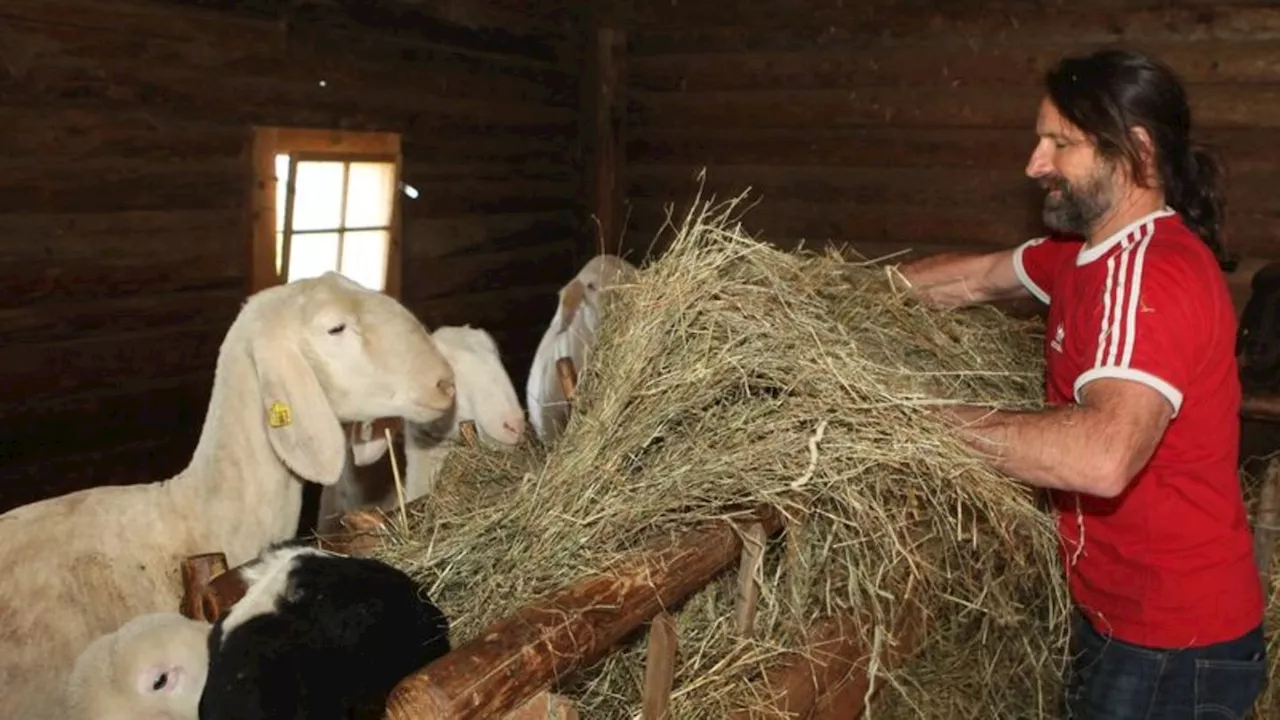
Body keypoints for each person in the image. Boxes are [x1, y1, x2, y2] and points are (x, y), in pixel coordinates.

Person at [896, 49, 1267, 718]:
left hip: (1172, 644)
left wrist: (910, 419)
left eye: (1059, 144)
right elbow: (973, 279)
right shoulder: (1081, 256)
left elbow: (1099, 456)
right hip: (1118, 616)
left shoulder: (1152, 275)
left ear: (1136, 154)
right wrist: (835, 298)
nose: (1034, 164)